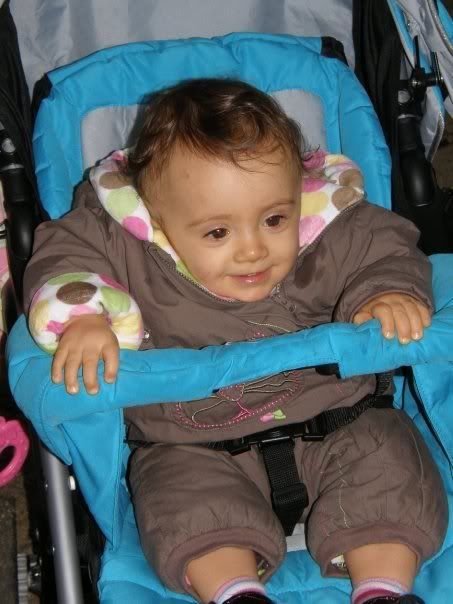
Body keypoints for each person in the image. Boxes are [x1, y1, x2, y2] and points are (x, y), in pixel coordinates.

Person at [24, 78, 447, 604]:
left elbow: (384, 247)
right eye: (218, 232)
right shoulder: (120, 241)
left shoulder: (332, 226)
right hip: (189, 442)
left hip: (340, 416)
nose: (252, 250)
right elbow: (64, 257)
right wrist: (85, 317)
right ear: (155, 219)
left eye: (274, 219)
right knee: (186, 504)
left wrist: (386, 292)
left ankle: (383, 589)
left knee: (387, 466)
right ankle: (235, 591)